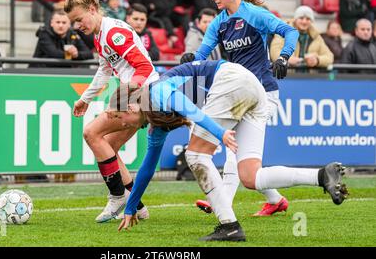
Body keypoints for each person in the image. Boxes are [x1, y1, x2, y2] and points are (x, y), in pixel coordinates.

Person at [111, 60, 348, 241]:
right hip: (251, 86)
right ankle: (321, 175)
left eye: (121, 117)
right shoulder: (156, 125)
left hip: (230, 81)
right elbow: (147, 168)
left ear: (131, 105)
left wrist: (220, 133)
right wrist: (131, 208)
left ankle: (229, 226)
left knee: (195, 155)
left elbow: (191, 110)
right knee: (251, 177)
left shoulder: (156, 92)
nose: (123, 124)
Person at [179, 0, 299, 216]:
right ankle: (276, 201)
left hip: (264, 93)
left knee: (236, 151)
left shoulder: (255, 15)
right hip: (239, 94)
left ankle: (220, 202)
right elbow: (202, 55)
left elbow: (291, 31)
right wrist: (191, 60)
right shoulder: (219, 23)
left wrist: (284, 57)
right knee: (243, 156)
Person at [63, 0, 159, 222]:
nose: (77, 26)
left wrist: (127, 95)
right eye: (74, 22)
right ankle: (137, 206)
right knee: (108, 146)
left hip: (141, 95)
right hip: (140, 96)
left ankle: (117, 196)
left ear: (93, 8)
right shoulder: (101, 35)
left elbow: (145, 67)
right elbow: (104, 71)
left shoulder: (114, 34)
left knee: (91, 134)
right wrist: (84, 99)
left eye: (79, 19)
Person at [271, 6, 334, 70]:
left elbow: (329, 57)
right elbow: (274, 52)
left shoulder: (316, 36)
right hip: (288, 76)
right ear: (295, 19)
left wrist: (317, 60)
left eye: (308, 19)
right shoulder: (284, 32)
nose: (304, 22)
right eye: (301, 18)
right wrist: (287, 59)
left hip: (309, 77)